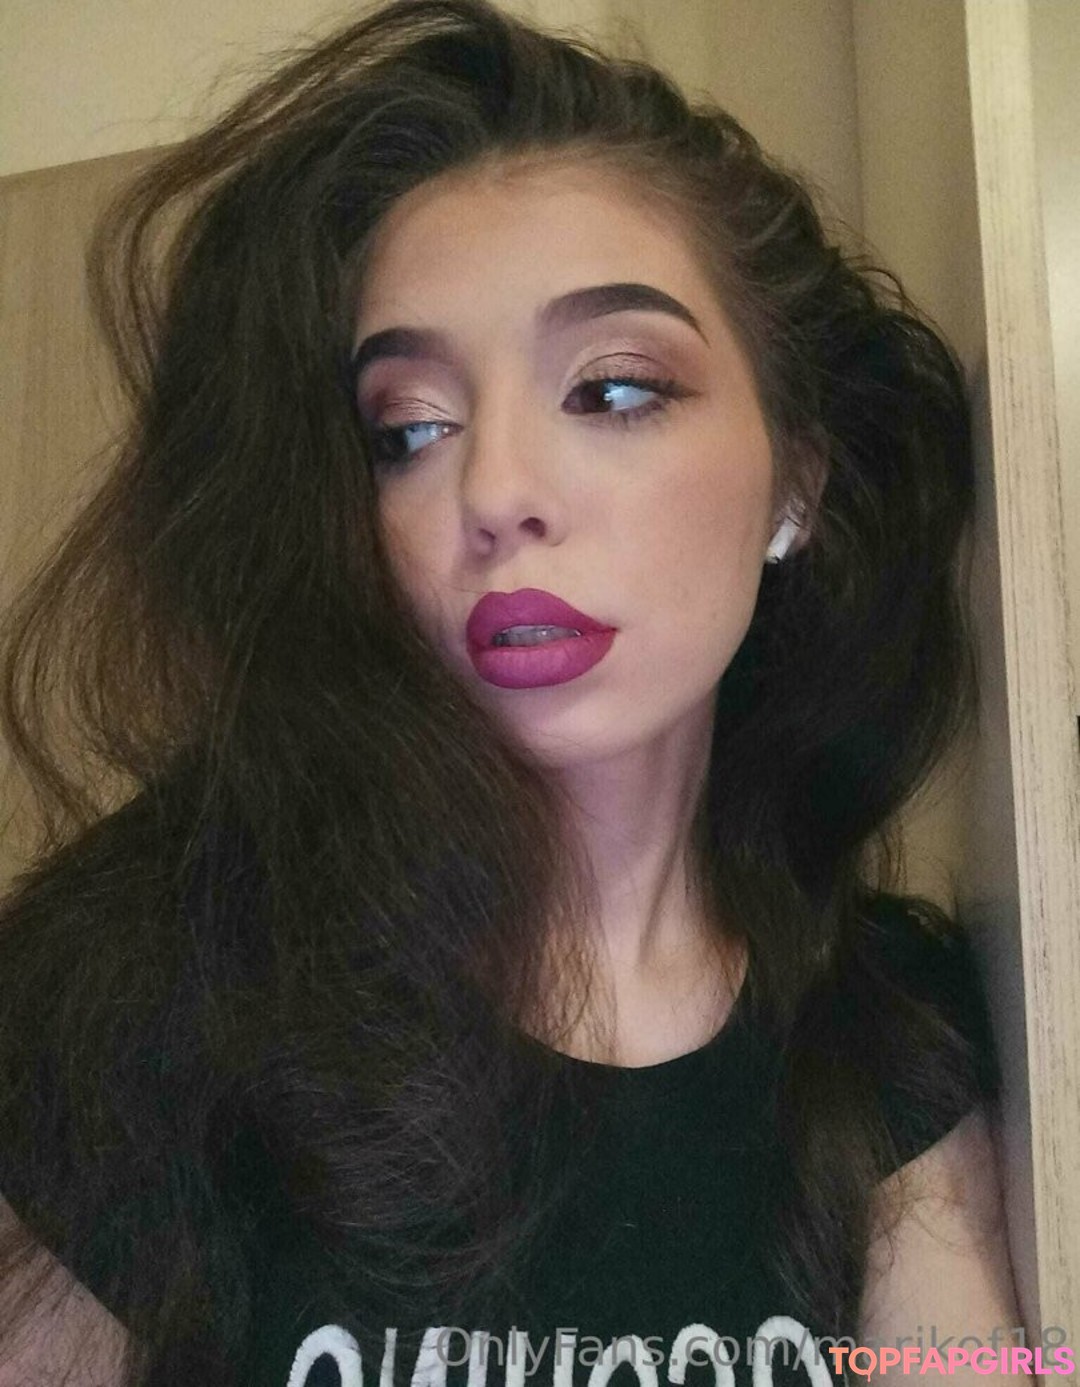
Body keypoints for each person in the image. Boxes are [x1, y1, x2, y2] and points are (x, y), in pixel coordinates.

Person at [0, 1, 1029, 1384]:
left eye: (611, 391)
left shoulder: (894, 1039)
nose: (491, 491)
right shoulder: (152, 1002)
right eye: (411, 430)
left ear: (796, 477)